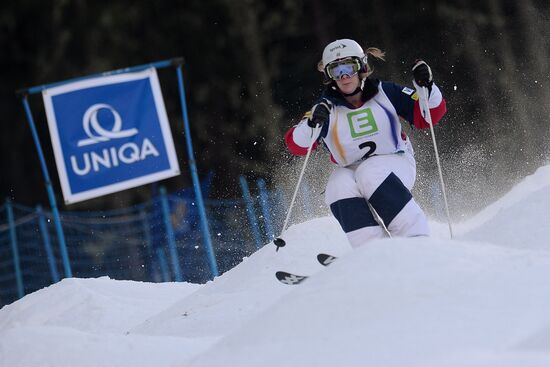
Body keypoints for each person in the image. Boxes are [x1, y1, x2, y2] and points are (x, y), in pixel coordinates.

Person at [284, 39, 447, 248]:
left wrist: (427, 88)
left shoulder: (384, 92)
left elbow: (429, 116)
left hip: (395, 163)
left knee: (370, 171)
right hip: (352, 171)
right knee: (337, 185)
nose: (343, 76)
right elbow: (296, 145)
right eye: (336, 70)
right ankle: (372, 251)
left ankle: (416, 240)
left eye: (349, 68)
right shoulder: (326, 107)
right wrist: (311, 123)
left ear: (361, 66)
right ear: (328, 76)